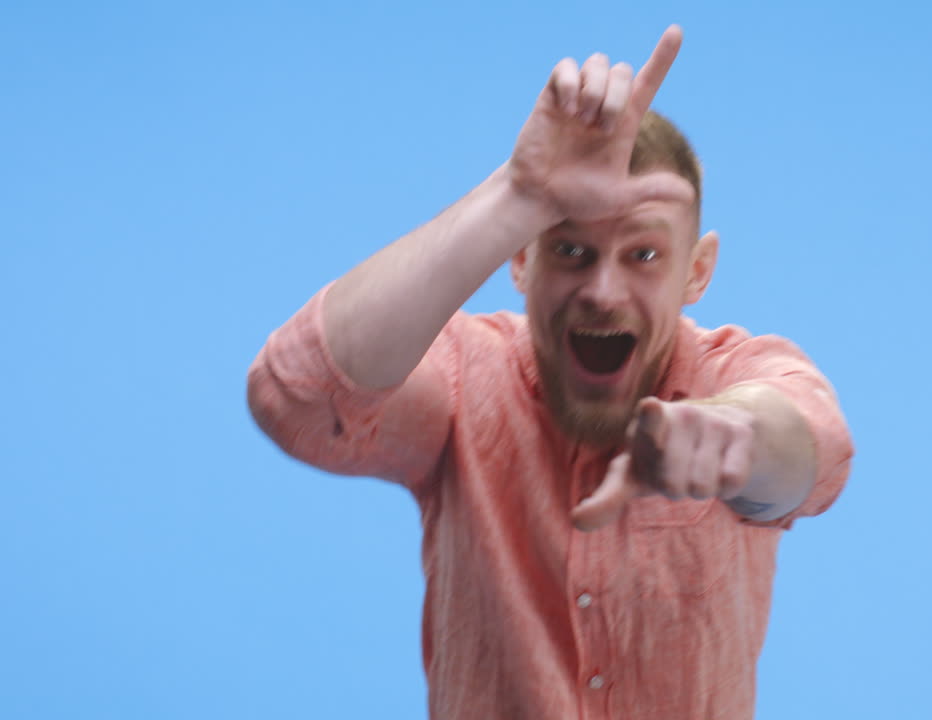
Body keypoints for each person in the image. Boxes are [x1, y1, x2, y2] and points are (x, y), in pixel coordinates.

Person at [247, 25, 853, 720]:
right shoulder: (464, 378)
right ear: (520, 260)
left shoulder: (736, 370)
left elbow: (816, 447)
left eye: (644, 256)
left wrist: (733, 439)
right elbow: (296, 399)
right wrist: (518, 195)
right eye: (569, 250)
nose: (602, 291)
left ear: (698, 270)